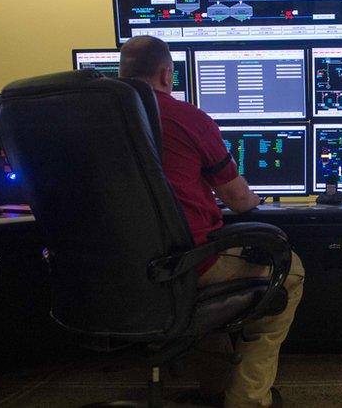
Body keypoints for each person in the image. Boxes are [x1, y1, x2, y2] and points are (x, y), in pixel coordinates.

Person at [118, 35, 304, 408]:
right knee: (291, 272)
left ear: (121, 73)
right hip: (180, 266)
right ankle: (247, 400)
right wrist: (255, 200)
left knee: (201, 291)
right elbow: (238, 199)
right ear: (167, 74)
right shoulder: (187, 118)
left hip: (108, 272)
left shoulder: (89, 122)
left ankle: (214, 391)